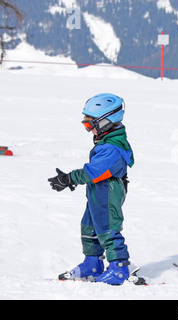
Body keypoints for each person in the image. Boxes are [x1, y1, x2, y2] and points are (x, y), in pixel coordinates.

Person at [48, 93, 135, 285]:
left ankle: (119, 268)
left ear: (105, 122)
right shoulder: (106, 142)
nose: (88, 129)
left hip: (109, 192)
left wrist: (68, 178)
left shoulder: (111, 149)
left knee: (107, 228)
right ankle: (92, 264)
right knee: (89, 226)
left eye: (90, 124)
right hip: (98, 191)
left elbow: (93, 172)